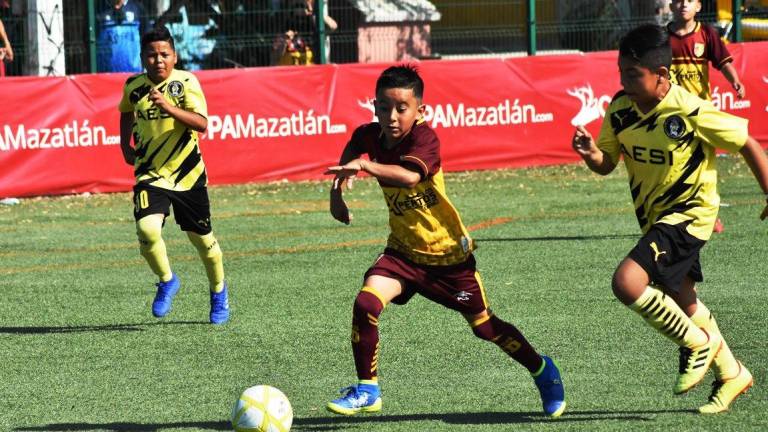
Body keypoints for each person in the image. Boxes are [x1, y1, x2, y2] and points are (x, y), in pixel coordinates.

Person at [324, 65, 565, 417]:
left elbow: (408, 177)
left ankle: (543, 370)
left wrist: (365, 167)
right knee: (366, 305)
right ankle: (367, 390)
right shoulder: (368, 137)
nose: (392, 116)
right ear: (374, 106)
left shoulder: (425, 139)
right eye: (384, 107)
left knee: (485, 327)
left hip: (447, 256)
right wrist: (336, 192)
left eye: (401, 108)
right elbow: (351, 150)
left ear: (420, 110)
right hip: (403, 253)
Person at [572, 24, 768, 413]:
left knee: (627, 282)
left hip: (691, 214)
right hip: (656, 219)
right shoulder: (620, 109)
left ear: (661, 75)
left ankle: (697, 342)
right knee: (684, 298)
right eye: (620, 72)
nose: (624, 80)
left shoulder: (688, 108)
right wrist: (591, 152)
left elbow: (746, 141)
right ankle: (733, 373)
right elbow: (607, 164)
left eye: (632, 74)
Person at [118, 26, 230, 324]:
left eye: (164, 54)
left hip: (188, 175)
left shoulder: (186, 82)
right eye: (152, 55)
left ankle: (218, 290)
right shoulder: (134, 86)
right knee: (147, 229)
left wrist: (167, 106)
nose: (158, 60)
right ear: (142, 57)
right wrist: (123, 144)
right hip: (150, 173)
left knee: (203, 242)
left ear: (175, 56)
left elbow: (201, 123)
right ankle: (167, 279)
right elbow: (126, 111)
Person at [667, 0, 747, 233]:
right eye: (679, 1)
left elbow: (724, 61)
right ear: (671, 6)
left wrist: (734, 80)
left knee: (704, 168)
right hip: (671, 113)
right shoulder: (662, 38)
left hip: (701, 114)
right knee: (672, 167)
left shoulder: (706, 34)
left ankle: (710, 216)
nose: (683, 5)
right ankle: (673, 215)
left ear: (699, 7)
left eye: (689, 1)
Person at [271, 0, 337, 66]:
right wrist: (285, 40)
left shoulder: (312, 29)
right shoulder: (284, 30)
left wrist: (315, 12)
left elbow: (333, 27)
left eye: (302, 6)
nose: (300, 20)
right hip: (289, 73)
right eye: (297, 7)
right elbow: (274, 58)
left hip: (310, 72)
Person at [97, 0, 147, 73]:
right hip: (106, 73)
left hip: (133, 72)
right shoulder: (99, 9)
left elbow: (146, 35)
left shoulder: (137, 8)